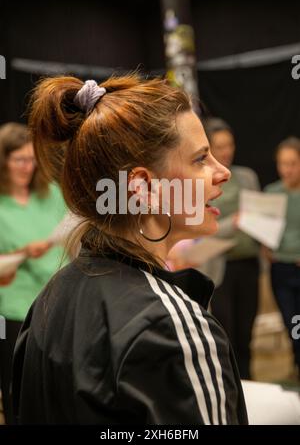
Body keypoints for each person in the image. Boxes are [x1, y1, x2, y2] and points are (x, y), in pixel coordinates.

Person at [12, 75, 248, 425]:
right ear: (142, 186)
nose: (222, 172)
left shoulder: (49, 299)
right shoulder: (170, 325)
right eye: (200, 159)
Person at [0, 122, 67, 424]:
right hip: (14, 309)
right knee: (18, 389)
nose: (27, 167)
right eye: (19, 160)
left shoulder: (52, 194)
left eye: (32, 159)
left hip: (55, 304)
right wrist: (25, 252)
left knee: (57, 388)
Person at [203, 117, 260, 380]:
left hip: (248, 262)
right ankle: (232, 385)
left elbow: (260, 215)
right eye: (220, 146)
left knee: (247, 331)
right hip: (218, 265)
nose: (226, 151)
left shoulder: (247, 176)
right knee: (227, 333)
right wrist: (233, 223)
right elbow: (204, 224)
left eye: (230, 144)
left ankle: (250, 383)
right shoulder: (205, 181)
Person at [264, 137, 300, 379]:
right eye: (282, 163)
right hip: (282, 271)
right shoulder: (271, 192)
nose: (286, 169)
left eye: (292, 163)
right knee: (293, 324)